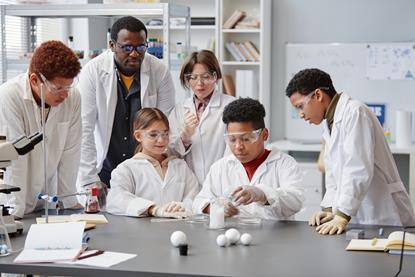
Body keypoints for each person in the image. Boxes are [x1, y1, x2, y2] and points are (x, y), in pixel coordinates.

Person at [286, 68, 415, 235]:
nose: (301, 114)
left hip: (383, 213)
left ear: (318, 95)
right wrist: (329, 208)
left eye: (300, 106)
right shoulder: (329, 122)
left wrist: (342, 215)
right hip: (362, 215)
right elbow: (333, 173)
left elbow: (358, 168)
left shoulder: (355, 112)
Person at [77, 16, 175, 189]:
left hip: (144, 169)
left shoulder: (159, 71)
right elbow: (85, 129)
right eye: (127, 47)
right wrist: (89, 180)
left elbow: (166, 123)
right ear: (112, 45)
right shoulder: (93, 72)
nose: (135, 53)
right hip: (104, 169)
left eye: (141, 47)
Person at [0, 40, 82, 218]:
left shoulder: (72, 97)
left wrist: (68, 201)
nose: (65, 94)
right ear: (35, 80)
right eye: (58, 88)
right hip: (13, 201)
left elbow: (71, 151)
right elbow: (14, 158)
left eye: (69, 86)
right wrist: (15, 211)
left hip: (46, 202)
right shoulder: (9, 96)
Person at [192, 98, 304, 220]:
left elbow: (296, 201)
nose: (238, 147)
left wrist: (262, 194)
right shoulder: (220, 168)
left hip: (276, 237)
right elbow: (199, 201)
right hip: (233, 235)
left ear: (264, 134)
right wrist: (213, 208)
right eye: (232, 140)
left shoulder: (285, 164)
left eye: (246, 139)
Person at [106, 108, 199, 218]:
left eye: (165, 133)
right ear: (138, 136)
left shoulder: (180, 166)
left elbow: (194, 196)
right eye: (153, 135)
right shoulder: (126, 169)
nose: (161, 140)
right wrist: (153, 209)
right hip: (142, 233)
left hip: (178, 229)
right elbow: (115, 200)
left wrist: (182, 207)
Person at [169, 50, 235, 185]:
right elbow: (170, 153)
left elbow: (234, 150)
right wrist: (185, 137)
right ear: (187, 80)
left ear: (215, 76)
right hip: (188, 185)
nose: (199, 83)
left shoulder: (231, 105)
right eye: (193, 78)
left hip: (223, 182)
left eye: (206, 77)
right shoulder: (179, 110)